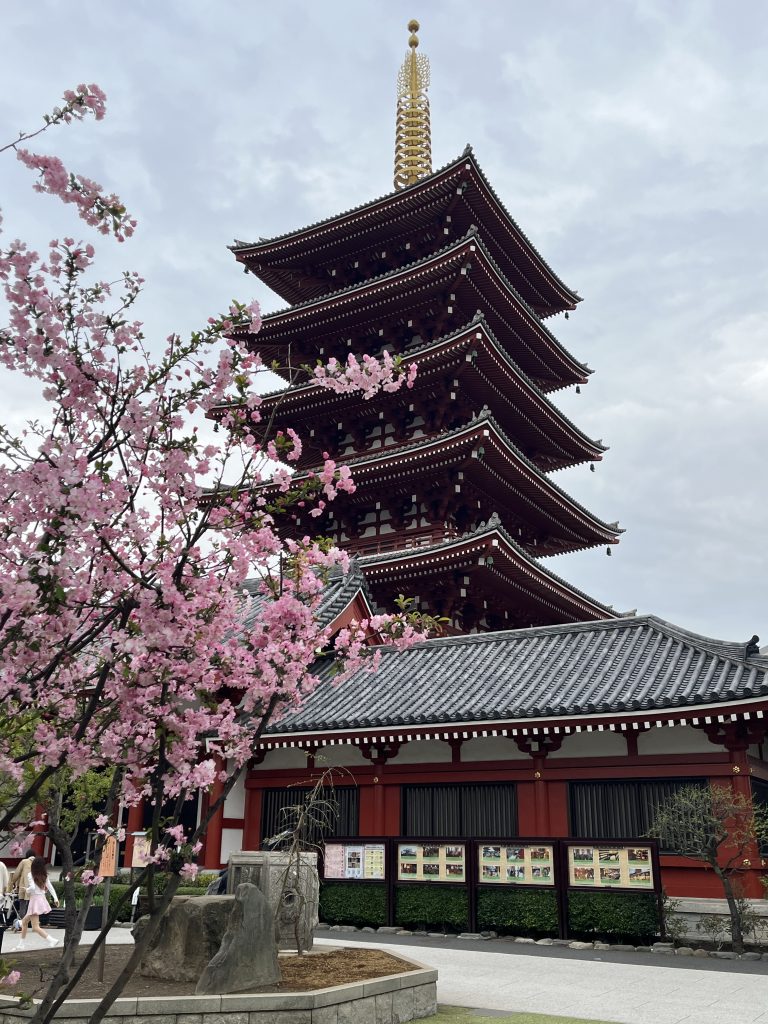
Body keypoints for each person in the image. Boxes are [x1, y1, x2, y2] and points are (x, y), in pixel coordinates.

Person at [16, 856, 59, 949]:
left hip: (35, 900)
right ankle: (21, 944)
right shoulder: (44, 875)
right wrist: (55, 899)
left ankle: (52, 940)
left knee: (35, 927)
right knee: (24, 922)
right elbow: (50, 887)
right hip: (41, 899)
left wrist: (26, 890)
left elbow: (32, 888)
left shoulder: (30, 874)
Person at [9, 848, 36, 930]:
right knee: (33, 907)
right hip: (35, 888)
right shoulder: (37, 862)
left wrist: (12, 882)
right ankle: (35, 925)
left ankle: (21, 925)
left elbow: (17, 873)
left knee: (23, 906)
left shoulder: (24, 862)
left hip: (24, 887)